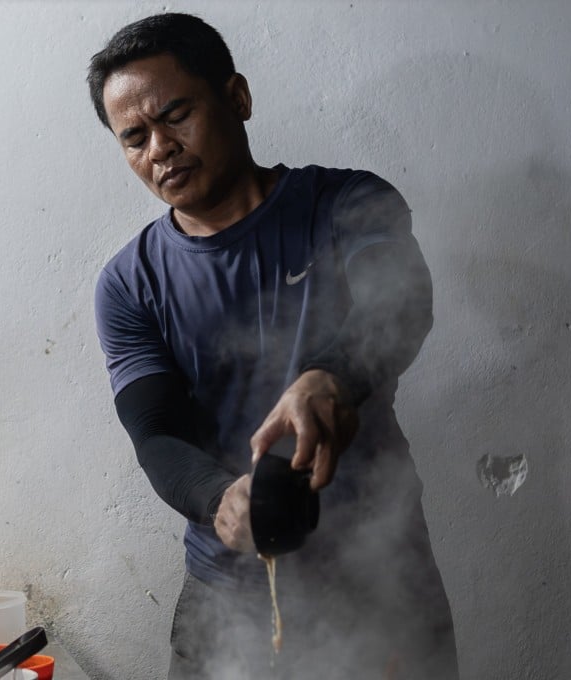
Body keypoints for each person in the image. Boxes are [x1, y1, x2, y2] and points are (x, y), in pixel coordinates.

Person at [88, 12, 459, 680]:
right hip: (224, 591)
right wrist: (219, 500)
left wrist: (332, 377)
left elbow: (401, 304)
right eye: (134, 137)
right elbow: (156, 432)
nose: (161, 148)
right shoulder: (130, 283)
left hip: (376, 578)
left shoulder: (345, 203)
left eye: (176, 115)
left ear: (237, 98)